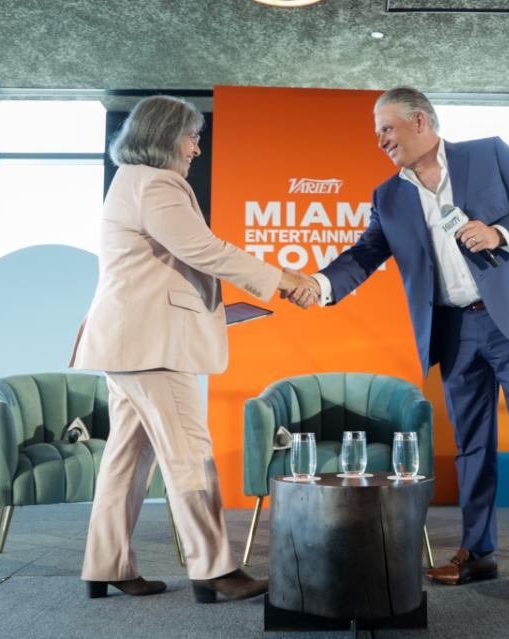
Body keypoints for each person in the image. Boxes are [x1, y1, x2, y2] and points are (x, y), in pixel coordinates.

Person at [288, 87, 509, 601]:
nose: (379, 141)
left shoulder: (487, 153)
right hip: (453, 329)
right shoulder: (389, 196)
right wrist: (320, 284)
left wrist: (501, 233)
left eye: (387, 129)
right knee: (471, 447)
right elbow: (363, 255)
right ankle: (478, 551)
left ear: (420, 121)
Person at [69, 95, 311, 603]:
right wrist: (282, 278)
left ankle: (106, 563)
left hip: (125, 342)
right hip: (152, 347)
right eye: (191, 136)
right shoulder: (157, 183)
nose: (197, 148)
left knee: (127, 458)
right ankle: (215, 570)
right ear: (163, 136)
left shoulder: (129, 182)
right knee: (190, 455)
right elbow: (203, 248)